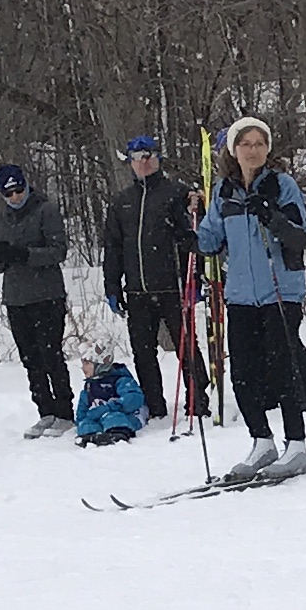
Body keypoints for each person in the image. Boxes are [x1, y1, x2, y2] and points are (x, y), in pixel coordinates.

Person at [195, 116, 306, 480]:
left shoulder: (282, 185)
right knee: (244, 372)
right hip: (240, 294)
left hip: (280, 292)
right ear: (234, 150)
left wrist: (271, 216)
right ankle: (262, 442)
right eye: (245, 144)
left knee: (284, 368)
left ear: (267, 149)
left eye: (259, 144)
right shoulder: (224, 191)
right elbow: (209, 240)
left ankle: (296, 445)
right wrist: (184, 228)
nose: (252, 150)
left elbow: (300, 236)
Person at [99, 134, 208, 424]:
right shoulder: (122, 202)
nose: (142, 163)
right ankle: (154, 405)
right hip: (137, 290)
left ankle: (198, 399)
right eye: (136, 159)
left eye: (147, 157)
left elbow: (193, 237)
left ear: (157, 158)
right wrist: (112, 286)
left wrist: (196, 279)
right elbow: (113, 247)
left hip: (173, 286)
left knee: (186, 346)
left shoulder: (176, 193)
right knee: (143, 352)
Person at [0, 161, 75, 435]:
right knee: (30, 359)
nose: (15, 197)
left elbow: (58, 251)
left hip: (47, 295)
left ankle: (64, 412)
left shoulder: (46, 210)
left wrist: (25, 254)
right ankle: (45, 411)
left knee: (51, 355)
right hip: (16, 298)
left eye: (18, 190)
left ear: (25, 186)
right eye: (8, 193)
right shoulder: (0, 220)